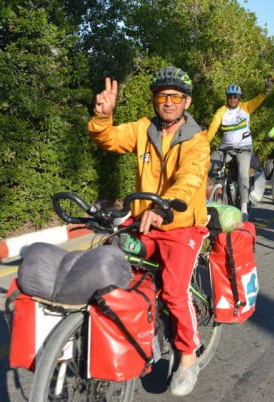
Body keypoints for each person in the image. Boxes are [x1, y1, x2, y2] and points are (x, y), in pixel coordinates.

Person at [88, 67, 209, 396]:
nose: (167, 102)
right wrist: (104, 117)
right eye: (161, 96)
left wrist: (164, 208)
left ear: (187, 101)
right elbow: (109, 138)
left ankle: (187, 356)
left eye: (175, 97)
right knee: (108, 262)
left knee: (173, 291)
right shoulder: (144, 129)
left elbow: (190, 180)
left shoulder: (197, 140)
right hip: (144, 221)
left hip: (183, 226)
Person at [207, 79, 274, 219]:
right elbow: (212, 129)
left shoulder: (246, 107)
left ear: (239, 98)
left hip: (243, 148)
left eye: (235, 97)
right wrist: (203, 144)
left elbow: (259, 99)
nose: (232, 99)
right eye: (230, 96)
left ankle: (244, 207)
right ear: (227, 97)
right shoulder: (221, 111)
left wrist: (267, 89)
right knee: (207, 167)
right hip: (226, 148)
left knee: (243, 174)